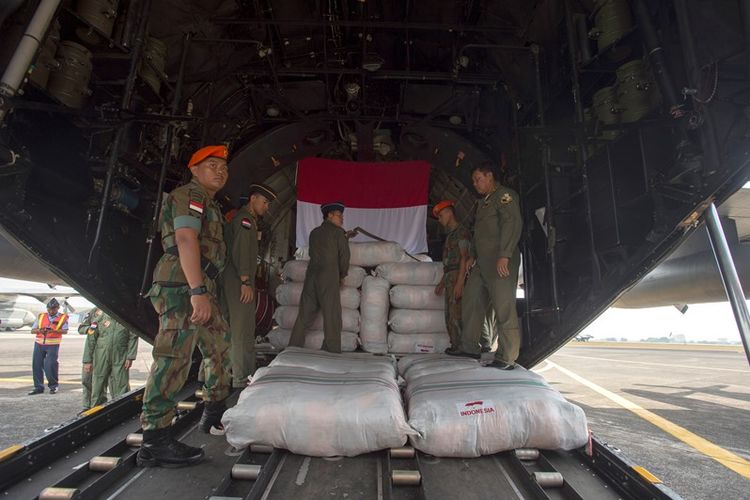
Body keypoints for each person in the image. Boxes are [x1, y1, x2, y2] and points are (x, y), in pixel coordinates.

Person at [137, 144, 232, 468]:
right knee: (174, 357)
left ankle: (214, 412)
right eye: (212, 165)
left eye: (224, 167)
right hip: (183, 285)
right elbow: (186, 240)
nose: (220, 171)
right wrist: (197, 291)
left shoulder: (210, 204)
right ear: (194, 169)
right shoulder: (187, 195)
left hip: (201, 285)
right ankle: (155, 440)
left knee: (219, 347)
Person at [453, 163, 523, 369]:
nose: (475, 184)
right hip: (481, 262)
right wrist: (471, 256)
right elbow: (479, 234)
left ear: (489, 176)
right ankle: (469, 347)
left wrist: (505, 255)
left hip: (499, 261)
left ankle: (506, 356)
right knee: (471, 301)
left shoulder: (504, 196)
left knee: (503, 306)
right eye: (474, 181)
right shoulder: (483, 203)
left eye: (478, 179)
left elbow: (512, 224)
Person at [222, 183, 276, 388]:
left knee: (227, 327)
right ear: (253, 199)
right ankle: (242, 377)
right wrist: (246, 281)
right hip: (239, 280)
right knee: (242, 329)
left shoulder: (243, 219)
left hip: (231, 278)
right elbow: (242, 252)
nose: (266, 207)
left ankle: (219, 373)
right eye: (265, 202)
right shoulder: (246, 221)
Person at [288, 202, 350, 353]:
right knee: (332, 314)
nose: (342, 219)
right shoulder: (338, 233)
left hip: (311, 276)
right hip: (329, 277)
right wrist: (342, 275)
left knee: (304, 315)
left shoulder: (314, 233)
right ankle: (332, 349)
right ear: (329, 215)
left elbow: (312, 254)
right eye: (339, 215)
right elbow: (344, 257)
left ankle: (293, 347)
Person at [432, 200, 472, 354]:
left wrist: (460, 282)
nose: (440, 220)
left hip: (457, 276)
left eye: (441, 215)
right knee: (450, 313)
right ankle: (456, 345)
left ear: (449, 213)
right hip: (450, 276)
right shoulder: (450, 236)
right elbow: (448, 264)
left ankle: (463, 346)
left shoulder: (462, 232)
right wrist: (442, 283)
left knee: (457, 313)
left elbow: (464, 257)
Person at [82, 309, 138, 407]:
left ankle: (122, 408)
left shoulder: (126, 319)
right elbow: (90, 339)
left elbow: (133, 336)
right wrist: (87, 361)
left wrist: (130, 357)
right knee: (98, 384)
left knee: (121, 384)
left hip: (120, 357)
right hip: (101, 356)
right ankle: (97, 410)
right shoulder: (98, 319)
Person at [28, 298, 68, 395]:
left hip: (53, 345)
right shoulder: (41, 316)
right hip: (39, 344)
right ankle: (38, 387)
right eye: (49, 309)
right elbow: (33, 330)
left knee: (50, 365)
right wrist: (40, 330)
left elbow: (65, 330)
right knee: (36, 365)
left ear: (58, 308)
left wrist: (54, 331)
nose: (51, 311)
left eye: (53, 309)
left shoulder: (63, 317)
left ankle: (53, 386)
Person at [78, 307, 104, 410]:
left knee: (101, 381)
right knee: (87, 379)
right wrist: (90, 330)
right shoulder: (95, 311)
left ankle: (98, 406)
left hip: (106, 350)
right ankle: (86, 406)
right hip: (91, 348)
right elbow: (81, 328)